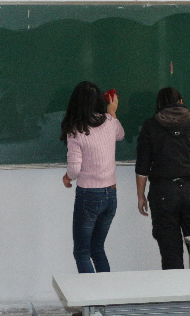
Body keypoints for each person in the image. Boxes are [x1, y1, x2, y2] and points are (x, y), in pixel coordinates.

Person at [135, 87, 190, 270]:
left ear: (159, 105)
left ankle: (175, 288)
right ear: (181, 101)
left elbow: (142, 167)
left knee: (170, 253)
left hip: (163, 192)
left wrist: (141, 195)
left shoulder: (150, 126)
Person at [60, 81, 125, 273]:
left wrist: (67, 178)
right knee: (97, 248)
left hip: (89, 195)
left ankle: (91, 293)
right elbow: (121, 135)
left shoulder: (76, 129)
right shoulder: (110, 121)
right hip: (110, 194)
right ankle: (107, 291)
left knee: (82, 251)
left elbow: (74, 169)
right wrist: (112, 112)